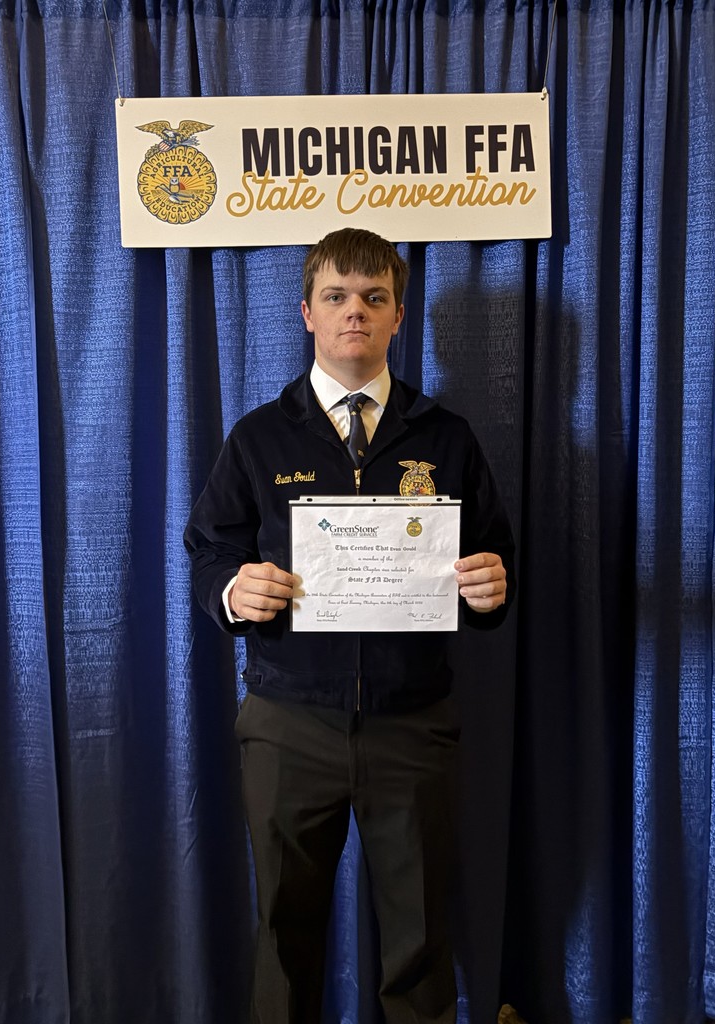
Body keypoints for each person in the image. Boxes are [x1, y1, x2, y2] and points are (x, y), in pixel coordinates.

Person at [184, 227, 515, 1024]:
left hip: (413, 724)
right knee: (283, 936)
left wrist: (492, 587)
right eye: (335, 297)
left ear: (399, 315)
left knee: (419, 937)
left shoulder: (445, 436)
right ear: (306, 312)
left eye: (373, 298)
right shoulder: (259, 437)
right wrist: (233, 589)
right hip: (287, 724)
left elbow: (491, 558)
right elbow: (208, 549)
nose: (353, 313)